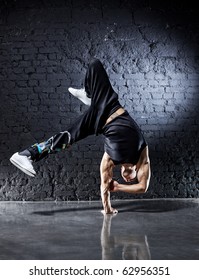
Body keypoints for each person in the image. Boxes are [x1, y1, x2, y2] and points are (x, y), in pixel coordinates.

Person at [10, 58, 151, 214]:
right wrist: (123, 186)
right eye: (132, 178)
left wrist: (110, 203)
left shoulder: (111, 157)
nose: (129, 179)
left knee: (66, 138)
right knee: (95, 64)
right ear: (136, 171)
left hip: (96, 122)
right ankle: (87, 93)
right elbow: (142, 186)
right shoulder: (142, 155)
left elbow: (115, 184)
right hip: (110, 104)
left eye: (128, 181)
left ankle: (25, 155)